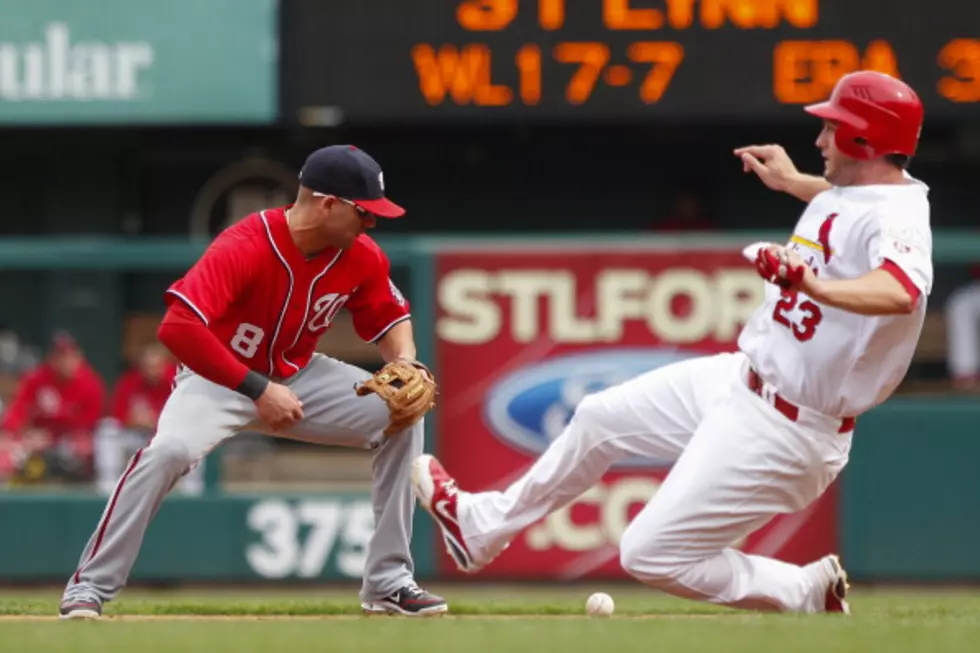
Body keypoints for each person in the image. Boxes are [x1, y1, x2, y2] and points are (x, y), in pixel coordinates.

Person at [412, 71, 931, 615]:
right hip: (742, 381)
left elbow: (900, 289)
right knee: (598, 417)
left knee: (650, 553)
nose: (822, 138)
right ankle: (480, 528)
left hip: (791, 426)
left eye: (832, 127)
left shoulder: (900, 218)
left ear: (863, 141)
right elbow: (853, 204)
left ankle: (801, 591)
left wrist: (814, 284)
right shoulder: (862, 194)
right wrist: (794, 181)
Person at [60, 145, 447, 619]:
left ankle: (389, 583)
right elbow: (177, 328)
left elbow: (391, 318)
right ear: (328, 204)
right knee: (168, 453)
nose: (372, 224)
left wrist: (405, 360)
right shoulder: (245, 244)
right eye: (364, 213)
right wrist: (258, 390)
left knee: (401, 415)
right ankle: (89, 586)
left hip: (300, 374)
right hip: (217, 378)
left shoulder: (361, 255)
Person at [0, 332, 105, 484]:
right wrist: (17, 433)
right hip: (37, 439)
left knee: (95, 444)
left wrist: (55, 435)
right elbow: (18, 411)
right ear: (52, 358)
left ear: (80, 357)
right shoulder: (36, 378)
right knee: (6, 447)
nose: (66, 361)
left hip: (73, 440)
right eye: (60, 356)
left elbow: (91, 423)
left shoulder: (91, 383)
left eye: (71, 356)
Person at [92, 342, 190, 495]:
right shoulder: (129, 381)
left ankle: (192, 488)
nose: (151, 370)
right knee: (107, 428)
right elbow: (117, 414)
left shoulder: (178, 381)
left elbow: (187, 415)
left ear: (164, 364)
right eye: (147, 366)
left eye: (156, 365)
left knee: (194, 435)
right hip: (137, 436)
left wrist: (158, 420)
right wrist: (131, 420)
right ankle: (108, 483)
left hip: (167, 437)